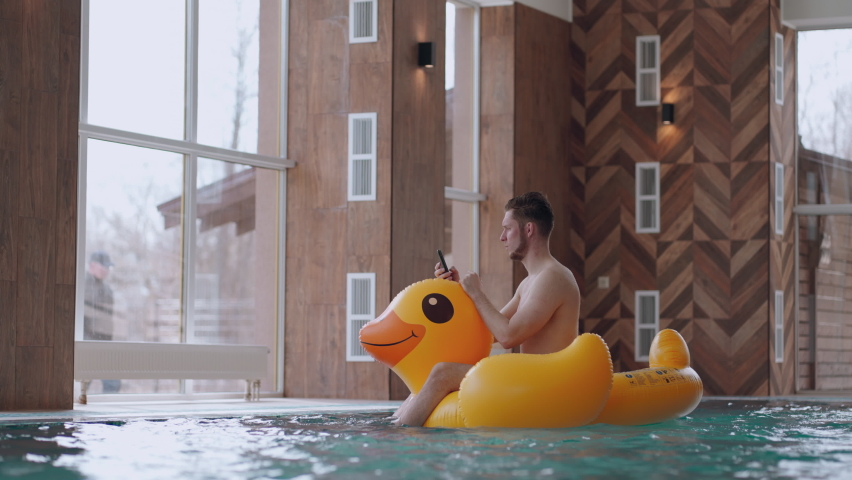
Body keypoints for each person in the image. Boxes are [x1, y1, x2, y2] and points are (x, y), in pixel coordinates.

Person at [394, 192, 581, 427]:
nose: (502, 237)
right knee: (433, 369)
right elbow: (490, 333)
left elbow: (508, 336)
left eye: (507, 229)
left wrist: (476, 293)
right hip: (530, 376)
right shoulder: (530, 282)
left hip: (546, 385)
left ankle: (399, 435)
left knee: (443, 373)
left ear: (529, 230)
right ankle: (394, 423)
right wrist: (460, 291)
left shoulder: (553, 278)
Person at [83, 250, 121, 394]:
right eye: (104, 266)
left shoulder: (107, 289)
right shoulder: (82, 285)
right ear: (92, 265)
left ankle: (107, 407)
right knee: (82, 382)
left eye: (108, 267)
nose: (106, 270)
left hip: (103, 342)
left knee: (113, 383)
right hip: (87, 341)